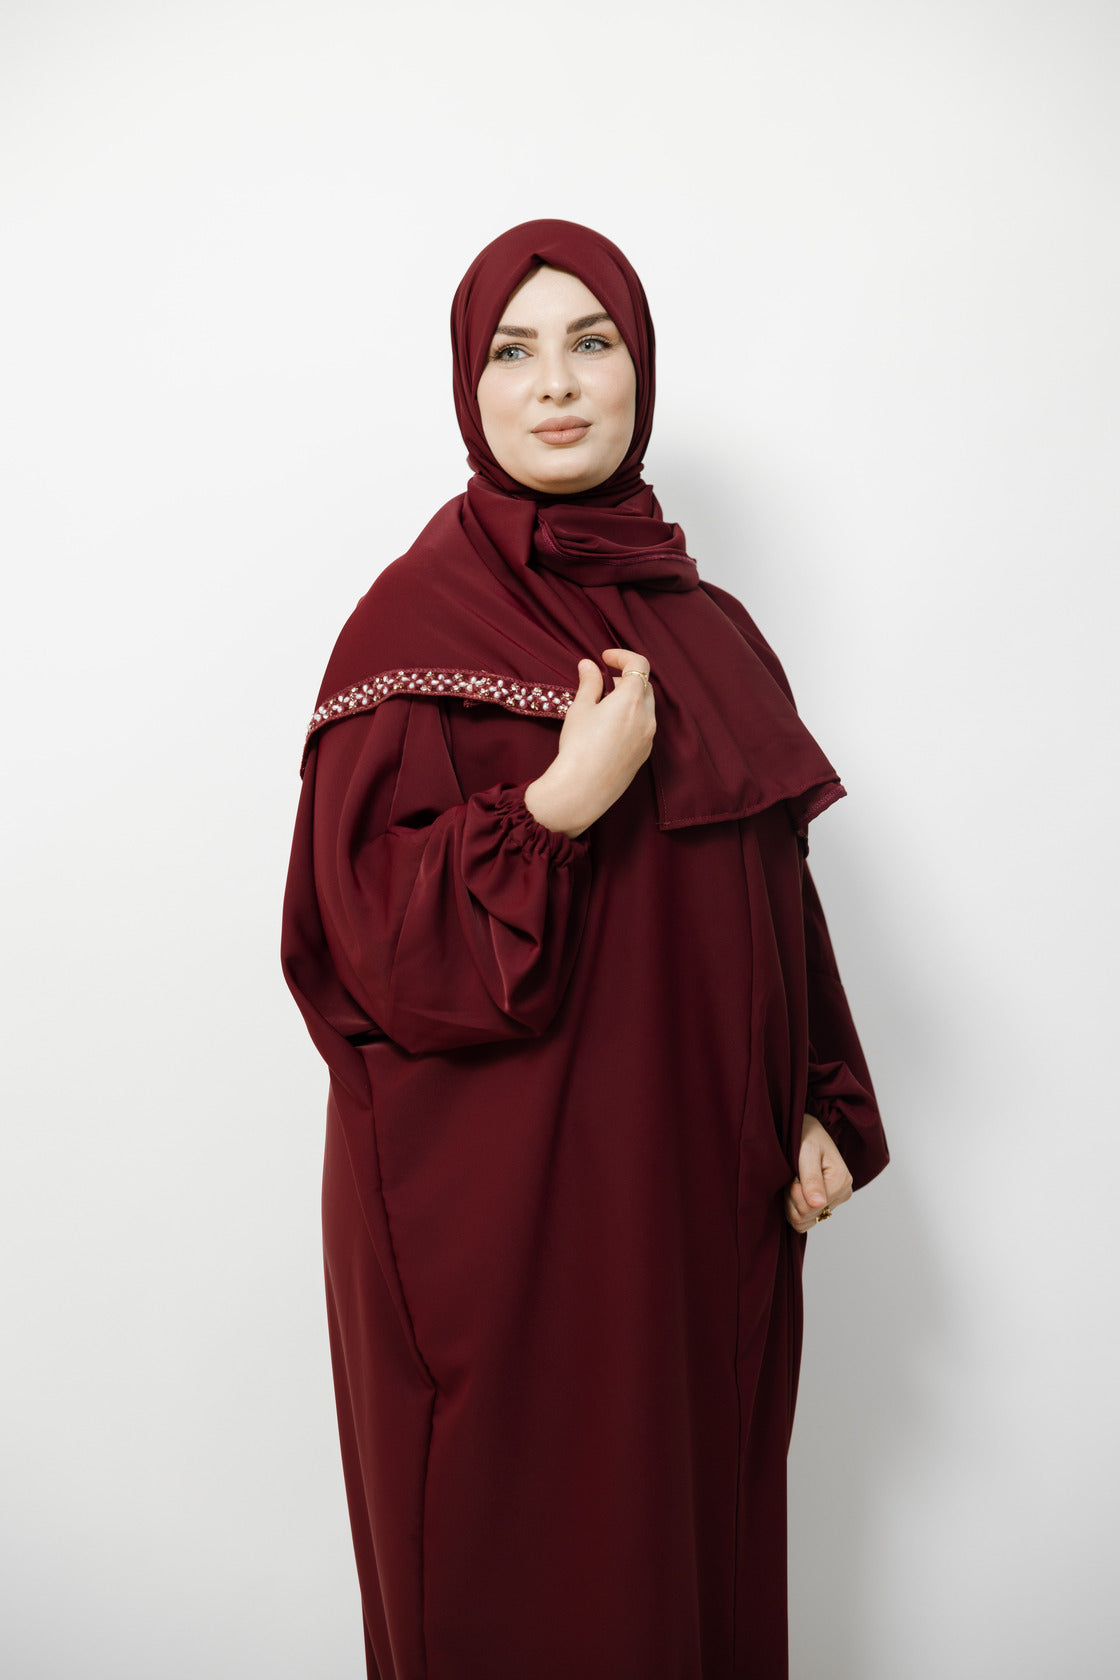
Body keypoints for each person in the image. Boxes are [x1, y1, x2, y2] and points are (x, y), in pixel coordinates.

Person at [281, 218, 889, 1680]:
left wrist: (818, 1097)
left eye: (591, 342)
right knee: (525, 1576)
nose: (555, 383)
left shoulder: (711, 630)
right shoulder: (414, 625)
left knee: (686, 1570)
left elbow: (773, 894)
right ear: (469, 387)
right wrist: (559, 802)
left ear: (639, 370)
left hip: (695, 1207)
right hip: (507, 1225)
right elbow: (364, 943)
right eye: (513, 352)